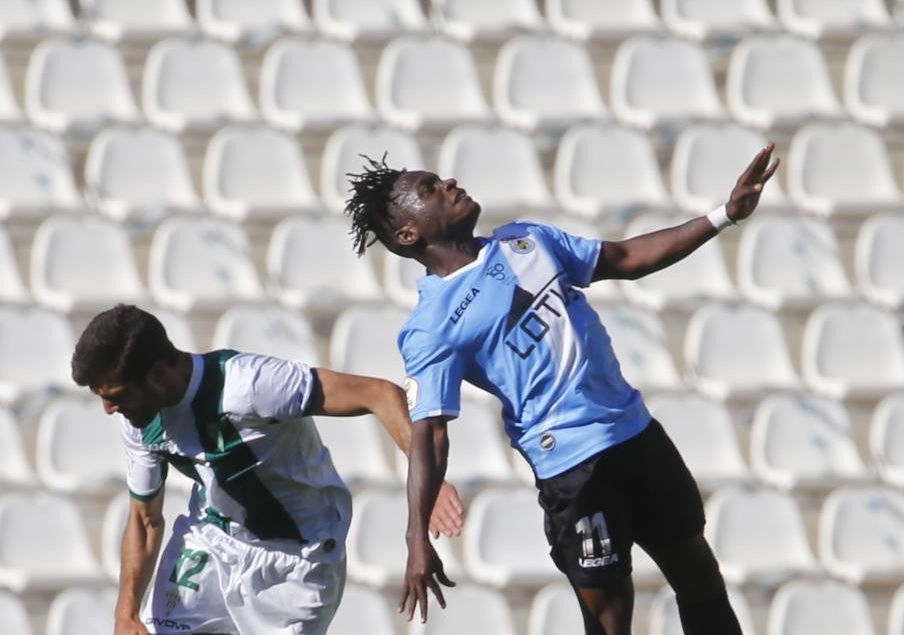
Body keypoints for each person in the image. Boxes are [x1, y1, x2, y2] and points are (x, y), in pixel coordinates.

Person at [343, 144, 780, 634]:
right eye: (429, 189)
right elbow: (430, 434)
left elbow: (626, 256)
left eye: (440, 178)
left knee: (701, 581)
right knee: (610, 623)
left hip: (635, 434)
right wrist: (416, 537)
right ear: (409, 233)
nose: (447, 184)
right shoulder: (431, 326)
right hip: (574, 469)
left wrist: (724, 215)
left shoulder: (527, 240)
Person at [70, 304, 464, 635]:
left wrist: (429, 483)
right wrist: (126, 611)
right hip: (212, 543)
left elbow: (378, 393)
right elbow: (144, 520)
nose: (109, 410)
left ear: (157, 372)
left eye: (114, 397)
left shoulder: (251, 384)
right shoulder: (138, 419)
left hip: (298, 562)